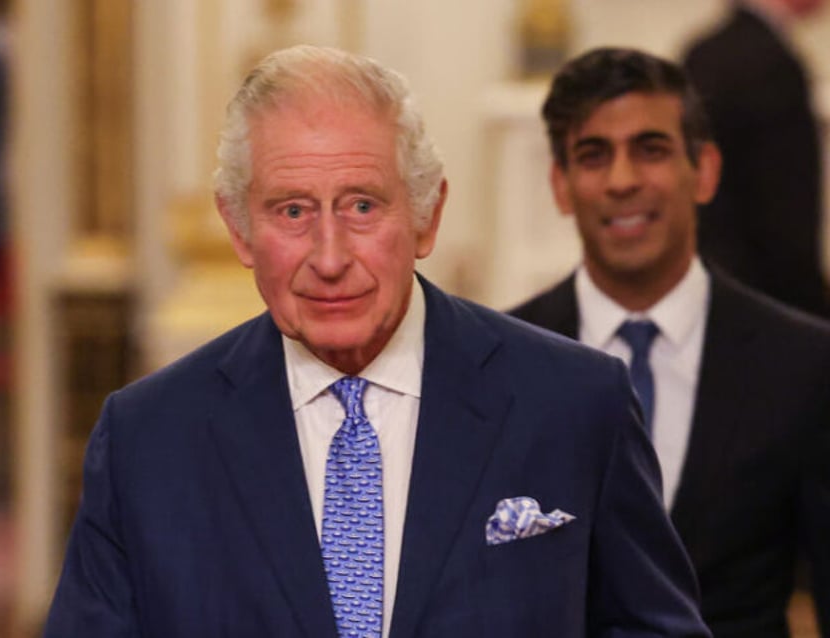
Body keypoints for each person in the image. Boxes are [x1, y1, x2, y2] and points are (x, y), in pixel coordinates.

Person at [43, 45, 710, 637]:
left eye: (362, 205)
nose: (330, 257)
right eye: (293, 210)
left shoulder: (574, 404)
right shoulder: (147, 439)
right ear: (241, 230)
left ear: (426, 215)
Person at [510, 47, 830, 638]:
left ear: (704, 170)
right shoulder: (504, 359)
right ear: (560, 184)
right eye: (593, 155)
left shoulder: (806, 364)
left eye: (650, 149)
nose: (624, 181)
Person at [683, 0, 830, 318]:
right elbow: (786, 216)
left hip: (714, 288)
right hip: (769, 301)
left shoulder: (703, 51)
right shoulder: (771, 64)